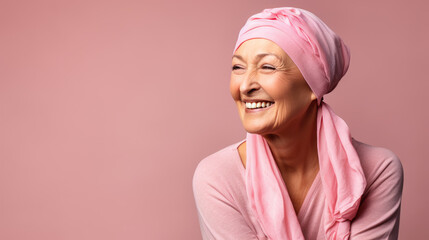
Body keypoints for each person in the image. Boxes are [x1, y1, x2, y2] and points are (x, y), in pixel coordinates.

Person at [192, 7, 403, 240]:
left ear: (313, 85)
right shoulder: (218, 177)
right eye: (238, 67)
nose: (245, 86)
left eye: (268, 67)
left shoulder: (377, 170)